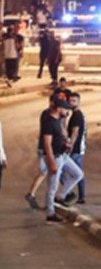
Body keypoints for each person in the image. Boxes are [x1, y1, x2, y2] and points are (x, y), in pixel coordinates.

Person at [38, 95, 83, 224]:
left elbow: (61, 135)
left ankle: (61, 196)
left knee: (78, 174)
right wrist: (52, 163)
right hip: (55, 157)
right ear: (58, 109)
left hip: (63, 155)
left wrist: (67, 142)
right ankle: (50, 214)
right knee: (52, 186)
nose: (66, 111)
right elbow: (47, 144)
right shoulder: (49, 122)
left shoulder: (58, 119)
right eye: (64, 108)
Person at [67, 92, 86, 204]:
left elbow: (75, 132)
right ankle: (76, 195)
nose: (71, 103)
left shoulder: (77, 115)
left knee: (77, 173)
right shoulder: (75, 114)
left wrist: (70, 146)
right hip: (77, 148)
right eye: (70, 101)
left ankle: (78, 196)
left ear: (79, 102)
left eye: (74, 101)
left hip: (76, 149)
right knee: (77, 172)